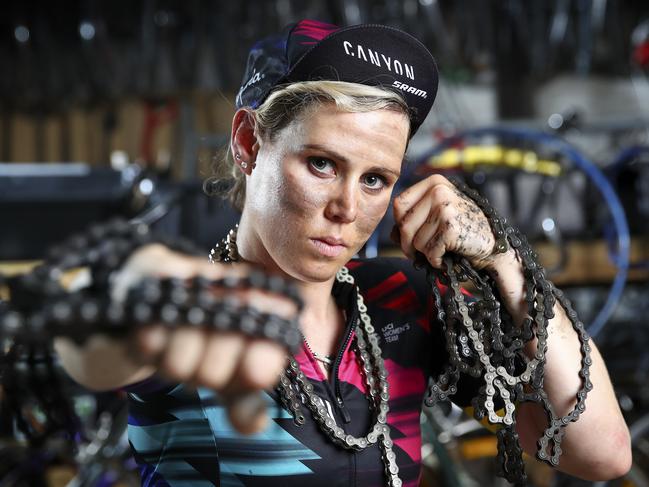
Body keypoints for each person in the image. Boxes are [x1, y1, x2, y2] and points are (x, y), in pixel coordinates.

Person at [54, 19, 631, 487]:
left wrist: (504, 261)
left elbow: (600, 453)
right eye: (322, 164)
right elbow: (92, 345)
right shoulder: (194, 307)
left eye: (376, 179)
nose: (346, 208)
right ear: (249, 142)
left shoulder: (399, 301)